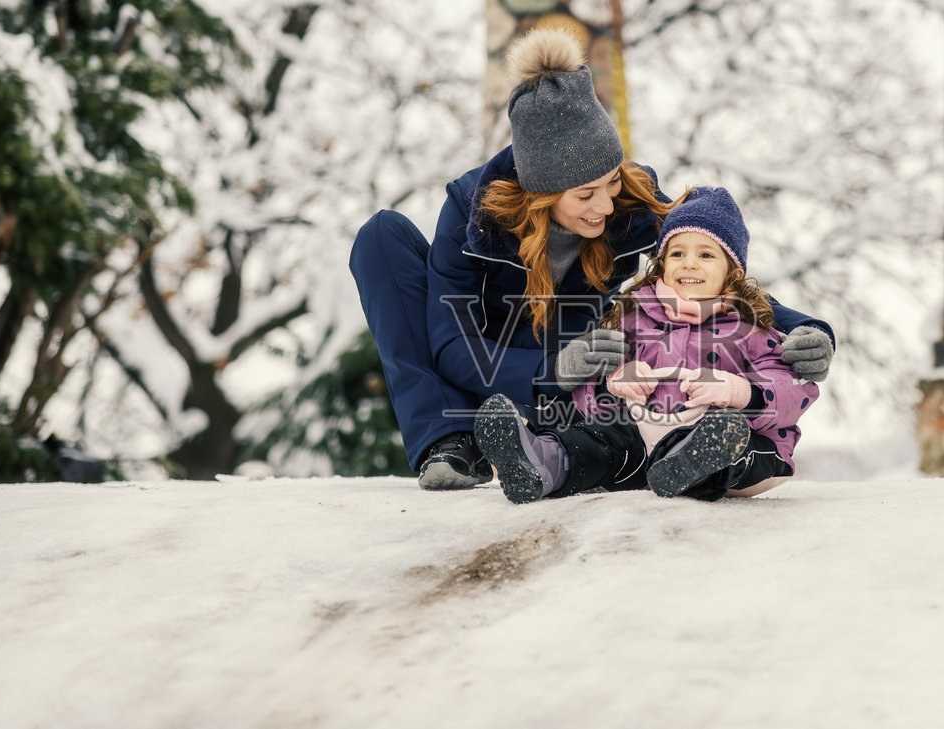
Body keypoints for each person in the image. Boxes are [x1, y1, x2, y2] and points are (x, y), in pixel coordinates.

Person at [349, 27, 835, 491]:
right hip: (508, 373)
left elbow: (706, 265)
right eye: (586, 195)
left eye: (611, 182)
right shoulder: (470, 215)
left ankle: (573, 454)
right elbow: (452, 345)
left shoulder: (629, 199)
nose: (606, 204)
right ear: (539, 194)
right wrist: (550, 368)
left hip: (588, 391)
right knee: (380, 236)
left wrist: (804, 327)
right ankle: (450, 444)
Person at [475, 186, 819, 503]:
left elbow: (796, 390)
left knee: (740, 442)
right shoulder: (633, 319)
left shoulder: (751, 328)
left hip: (727, 443)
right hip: (642, 443)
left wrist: (739, 392)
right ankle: (541, 462)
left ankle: (696, 462)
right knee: (602, 440)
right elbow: (586, 398)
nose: (689, 263)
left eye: (706, 255)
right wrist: (613, 385)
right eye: (677, 253)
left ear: (732, 271)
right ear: (662, 265)